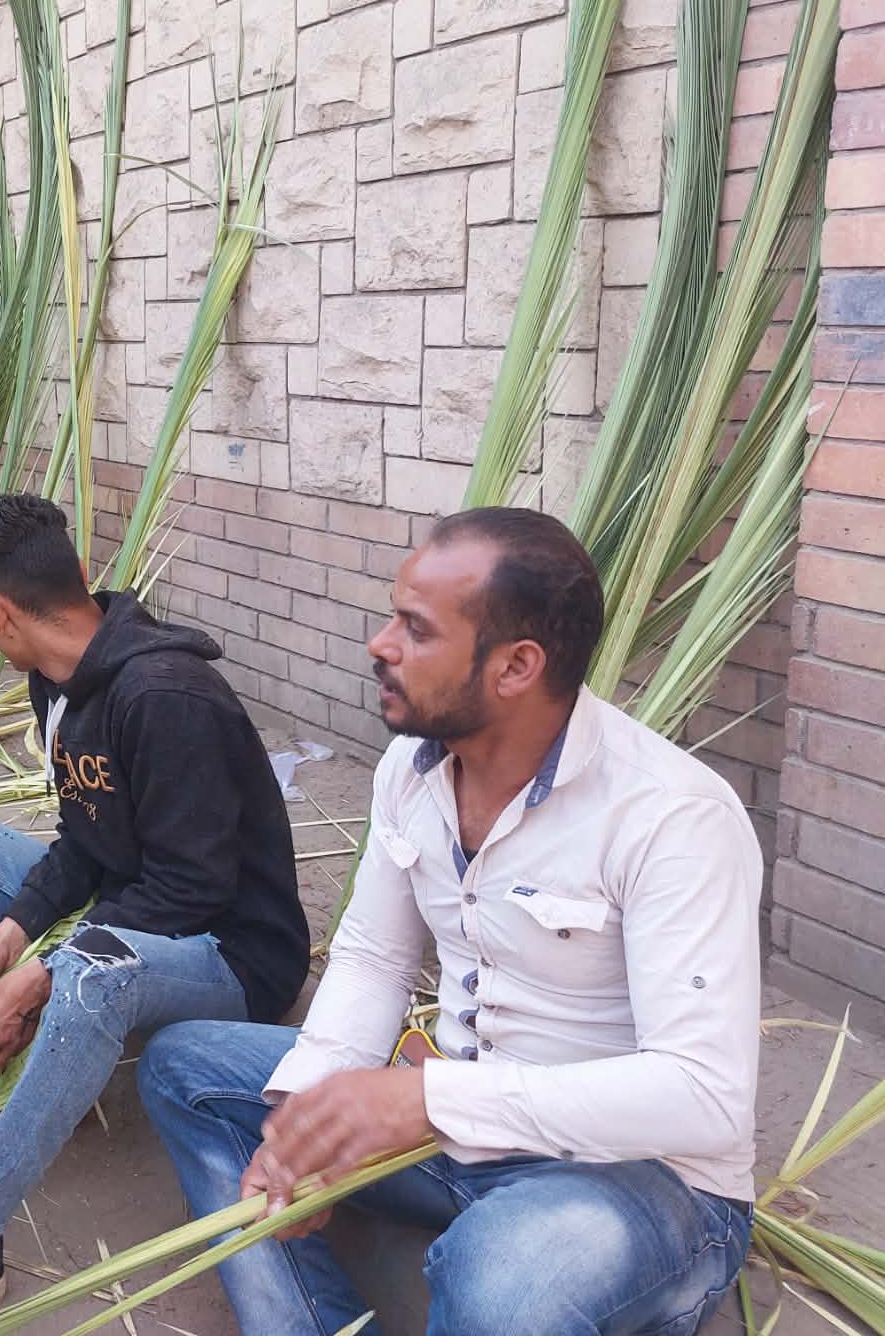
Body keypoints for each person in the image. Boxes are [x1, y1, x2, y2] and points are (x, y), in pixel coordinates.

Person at [138, 508, 760, 1336]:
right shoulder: (413, 765)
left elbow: (701, 1097)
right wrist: (306, 1119)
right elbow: (371, 956)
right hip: (453, 1133)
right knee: (189, 1064)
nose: (379, 643)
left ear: (515, 667)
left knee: (501, 1284)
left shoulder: (672, 817)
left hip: (632, 1175)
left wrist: (429, 1099)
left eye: (415, 629)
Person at [0, 494, 311, 1336]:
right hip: (133, 909)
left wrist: (49, 969)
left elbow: (191, 888)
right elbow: (85, 846)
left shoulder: (165, 695)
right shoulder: (60, 683)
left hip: (232, 953)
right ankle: (28, 1037)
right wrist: (11, 939)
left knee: (86, 972)